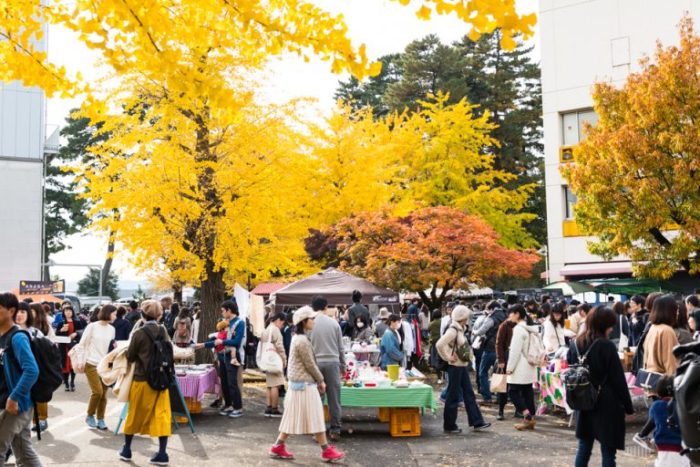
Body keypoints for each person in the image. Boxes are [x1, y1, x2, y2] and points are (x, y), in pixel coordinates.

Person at [268, 306, 344, 462]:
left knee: (292, 418)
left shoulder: (298, 338)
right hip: (304, 385)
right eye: (311, 318)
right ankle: (325, 450)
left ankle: (278, 446)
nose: (314, 321)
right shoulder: (302, 341)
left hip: (299, 385)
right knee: (315, 416)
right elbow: (310, 364)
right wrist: (321, 380)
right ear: (304, 321)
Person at [567, 306, 634, 467]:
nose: (612, 329)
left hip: (584, 400)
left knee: (584, 447)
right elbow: (618, 380)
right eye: (610, 325)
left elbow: (571, 365)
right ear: (604, 325)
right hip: (606, 401)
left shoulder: (575, 343)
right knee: (608, 451)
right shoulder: (606, 346)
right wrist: (628, 407)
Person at [119, 300, 172, 466]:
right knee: (162, 415)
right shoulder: (163, 330)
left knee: (134, 414)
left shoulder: (139, 333)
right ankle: (162, 453)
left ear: (142, 314)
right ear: (158, 315)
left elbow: (131, 356)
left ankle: (127, 450)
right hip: (162, 380)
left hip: (142, 379)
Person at [0, 293, 41, 467]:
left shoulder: (17, 337)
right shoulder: (2, 336)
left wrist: (14, 397)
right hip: (14, 404)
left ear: (11, 311)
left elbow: (32, 370)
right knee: (24, 453)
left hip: (14, 405)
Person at [436, 305, 491, 434]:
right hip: (455, 367)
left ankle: (477, 422)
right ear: (463, 317)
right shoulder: (454, 330)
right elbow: (439, 344)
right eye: (467, 316)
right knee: (453, 396)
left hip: (461, 366)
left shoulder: (459, 329)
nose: (469, 319)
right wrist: (448, 357)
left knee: (468, 394)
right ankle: (450, 425)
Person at [197, 300, 244, 418]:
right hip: (222, 355)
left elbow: (237, 342)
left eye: (223, 310)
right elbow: (217, 339)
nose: (222, 313)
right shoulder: (225, 322)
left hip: (231, 356)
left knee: (232, 382)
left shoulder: (240, 323)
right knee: (224, 382)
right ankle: (228, 405)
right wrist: (203, 345)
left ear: (229, 310)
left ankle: (238, 407)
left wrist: (222, 341)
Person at [309, 296, 345, 441]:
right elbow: (340, 348)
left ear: (313, 308)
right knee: (334, 399)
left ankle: (317, 431)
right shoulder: (334, 323)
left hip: (316, 363)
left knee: (317, 398)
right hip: (333, 362)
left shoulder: (309, 324)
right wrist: (342, 365)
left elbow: (306, 347)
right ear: (326, 307)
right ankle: (335, 429)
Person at [505, 304, 539, 431]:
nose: (509, 316)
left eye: (511, 313)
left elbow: (515, 351)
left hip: (520, 366)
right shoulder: (530, 328)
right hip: (530, 365)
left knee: (513, 391)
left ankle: (527, 415)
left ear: (517, 314)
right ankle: (530, 419)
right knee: (527, 391)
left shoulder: (519, 329)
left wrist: (510, 367)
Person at [83, 305, 116, 430]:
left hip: (105, 364)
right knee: (97, 392)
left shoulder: (112, 329)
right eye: (114, 313)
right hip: (91, 363)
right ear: (107, 313)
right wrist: (81, 361)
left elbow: (111, 348)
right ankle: (90, 415)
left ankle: (101, 418)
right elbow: (82, 344)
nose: (115, 316)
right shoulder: (92, 326)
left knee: (103, 395)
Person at [471, 300, 507, 404]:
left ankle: (487, 397)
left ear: (491, 309)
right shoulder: (505, 316)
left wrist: (474, 332)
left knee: (482, 373)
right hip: (502, 350)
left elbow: (481, 331)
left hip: (490, 348)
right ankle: (499, 398)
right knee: (498, 374)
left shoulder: (492, 318)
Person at [643, 294, 680, 377]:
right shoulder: (667, 330)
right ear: (669, 311)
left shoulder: (653, 327)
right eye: (676, 309)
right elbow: (670, 362)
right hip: (663, 381)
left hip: (651, 378)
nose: (677, 313)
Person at [261, 312, 287, 418]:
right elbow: (279, 346)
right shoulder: (275, 330)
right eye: (282, 323)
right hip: (275, 360)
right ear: (279, 320)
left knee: (269, 385)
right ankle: (275, 408)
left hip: (267, 359)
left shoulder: (266, 329)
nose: (282, 326)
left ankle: (269, 406)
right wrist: (284, 359)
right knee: (276, 384)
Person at [495, 311, 517, 421]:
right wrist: (500, 360)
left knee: (517, 386)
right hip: (505, 358)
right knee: (502, 386)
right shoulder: (504, 325)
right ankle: (500, 410)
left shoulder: (521, 325)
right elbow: (498, 343)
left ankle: (519, 410)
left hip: (518, 359)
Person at [56, 305, 83, 392]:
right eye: (66, 311)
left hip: (74, 346)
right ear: (63, 313)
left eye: (70, 311)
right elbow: (56, 335)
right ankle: (66, 383)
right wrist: (61, 331)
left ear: (72, 312)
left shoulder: (77, 322)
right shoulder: (61, 323)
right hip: (64, 347)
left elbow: (82, 332)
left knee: (73, 364)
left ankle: (72, 382)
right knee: (65, 365)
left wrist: (76, 333)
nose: (68, 312)